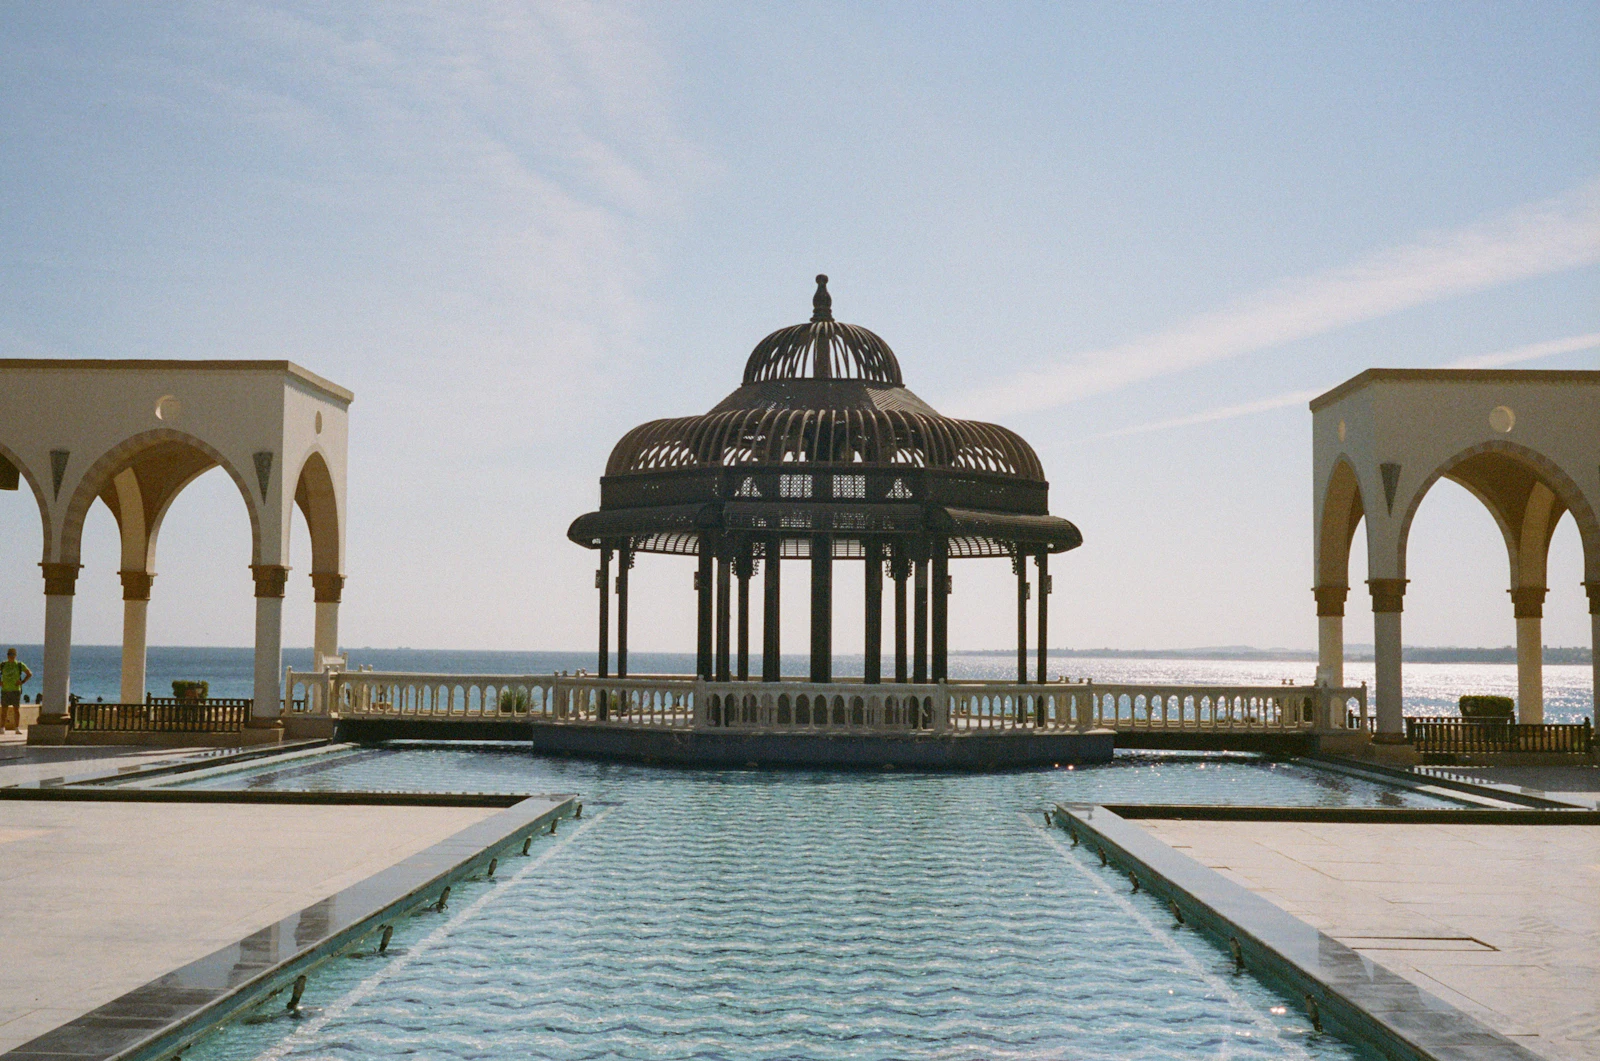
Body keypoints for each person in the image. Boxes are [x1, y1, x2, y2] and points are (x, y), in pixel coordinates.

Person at [2, 648, 33, 733]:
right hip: (5, 690)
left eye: (12, 655)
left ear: (15, 656)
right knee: (4, 709)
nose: (10, 656)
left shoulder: (19, 665)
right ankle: (2, 728)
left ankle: (17, 728)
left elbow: (29, 674)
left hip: (16, 690)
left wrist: (22, 681)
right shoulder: (3, 664)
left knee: (16, 710)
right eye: (9, 655)